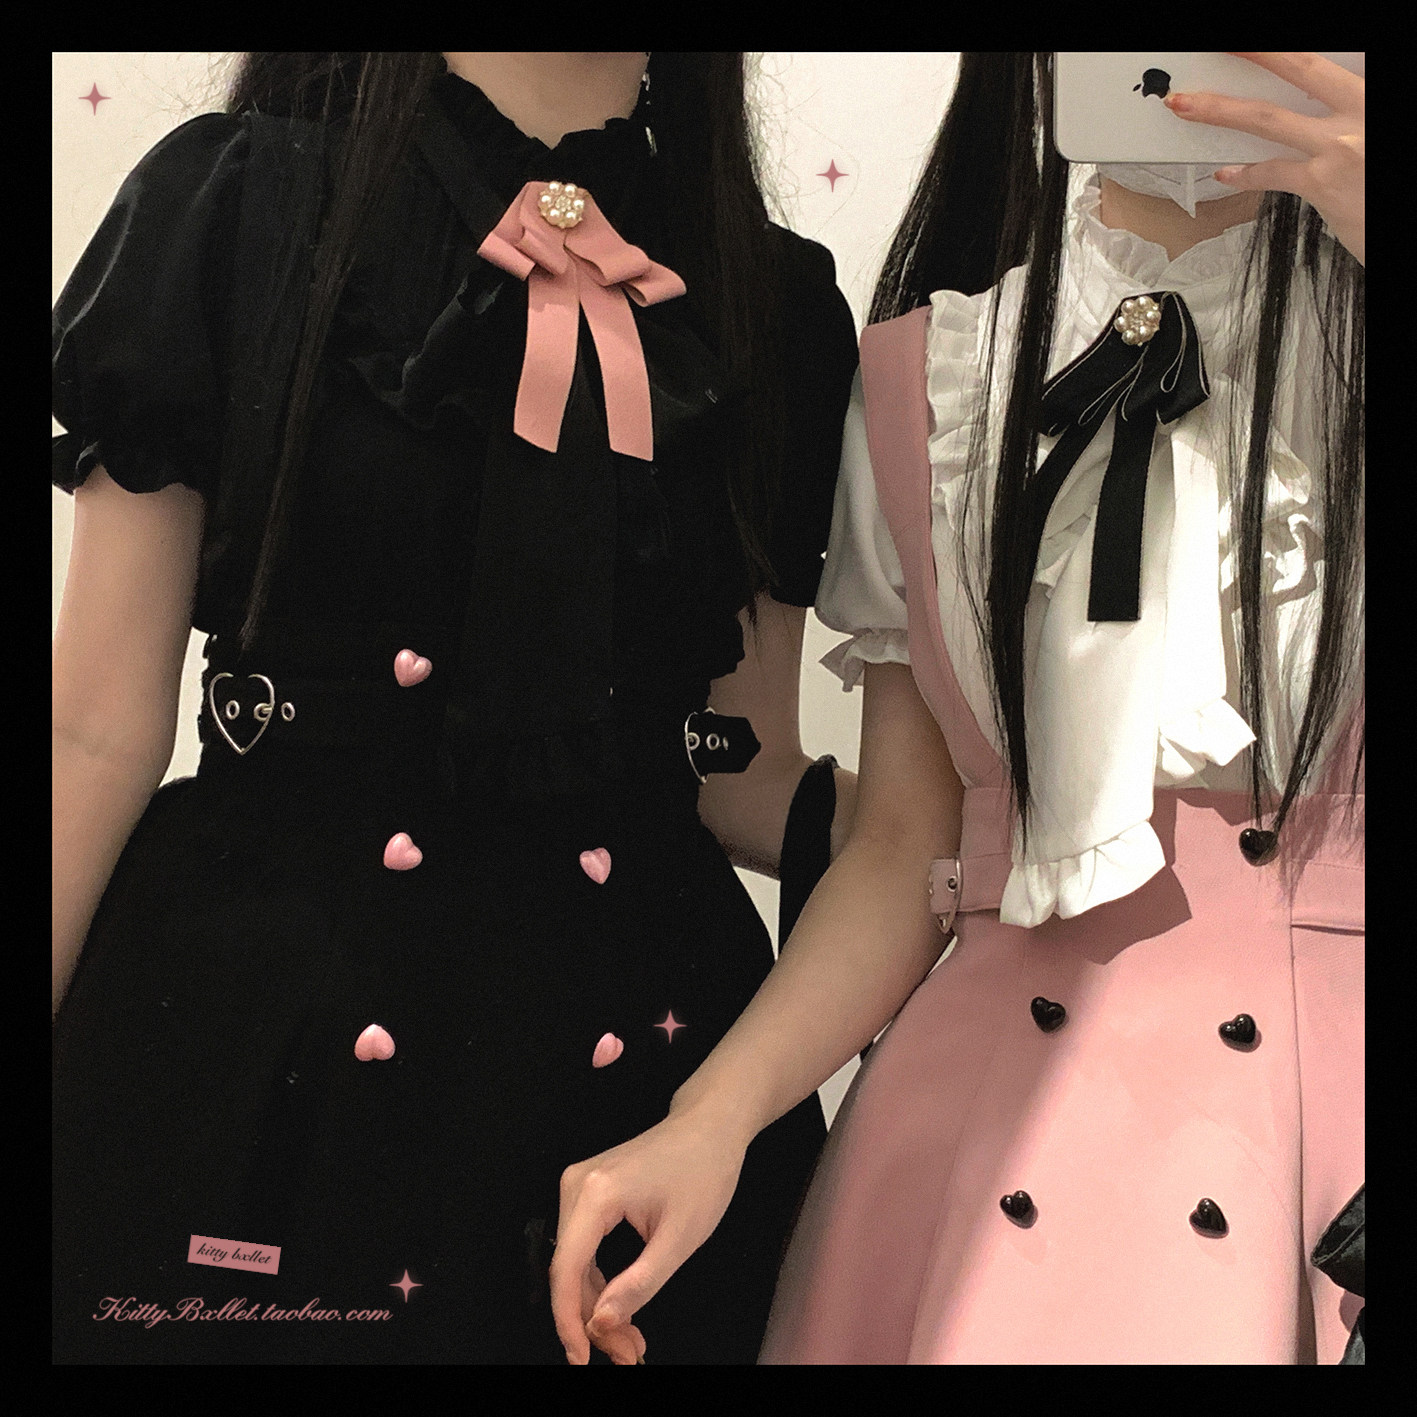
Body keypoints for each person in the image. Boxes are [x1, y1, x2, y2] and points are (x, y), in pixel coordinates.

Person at [550, 51, 1364, 1364]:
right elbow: (902, 849)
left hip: (1323, 1125)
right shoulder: (931, 375)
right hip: (985, 1125)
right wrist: (711, 1118)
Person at [52, 51, 858, 1365]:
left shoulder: (769, 299)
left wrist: (987, 840)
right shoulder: (232, 205)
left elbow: (733, 761)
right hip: (259, 1057)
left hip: (636, 1102)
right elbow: (91, 730)